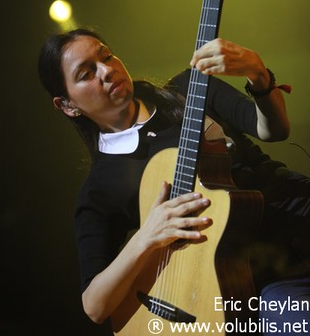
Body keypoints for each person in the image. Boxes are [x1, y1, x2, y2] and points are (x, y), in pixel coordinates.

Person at [38, 28, 310, 335]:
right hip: (264, 279)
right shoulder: (101, 187)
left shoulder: (188, 89)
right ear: (67, 105)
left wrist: (257, 74)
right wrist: (147, 235)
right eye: (87, 73)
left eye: (106, 56)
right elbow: (95, 305)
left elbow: (272, 130)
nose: (107, 70)